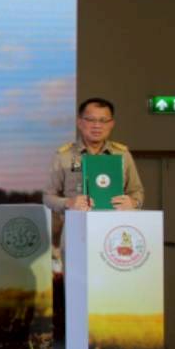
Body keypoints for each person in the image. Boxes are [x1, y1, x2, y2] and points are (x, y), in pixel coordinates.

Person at [44, 97, 144, 245]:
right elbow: (48, 197)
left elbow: (136, 191)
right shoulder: (64, 156)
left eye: (103, 120)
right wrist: (69, 203)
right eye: (91, 120)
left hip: (115, 232)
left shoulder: (122, 154)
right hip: (76, 231)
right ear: (79, 122)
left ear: (112, 124)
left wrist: (133, 203)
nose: (97, 125)